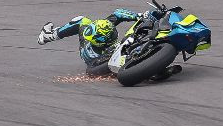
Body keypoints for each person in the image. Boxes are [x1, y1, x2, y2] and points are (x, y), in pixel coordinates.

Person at [37, 7, 182, 80]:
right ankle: (156, 72)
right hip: (99, 60)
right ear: (103, 41)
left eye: (112, 31)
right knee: (128, 54)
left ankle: (49, 35)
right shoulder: (96, 55)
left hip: (96, 39)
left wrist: (138, 16)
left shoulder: (102, 27)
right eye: (110, 35)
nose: (114, 33)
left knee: (82, 20)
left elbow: (118, 13)